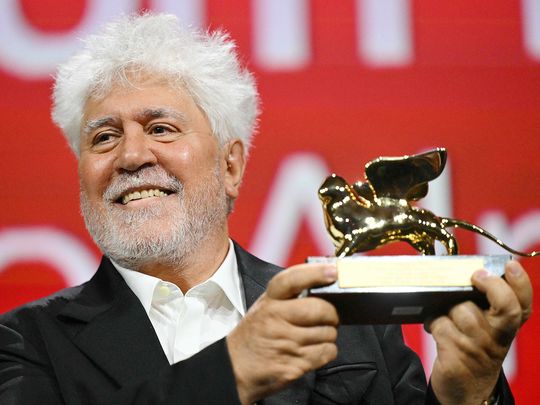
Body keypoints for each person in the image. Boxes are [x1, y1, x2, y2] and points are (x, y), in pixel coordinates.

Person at [0, 13, 532, 405]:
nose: (132, 155)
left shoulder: (357, 329)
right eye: (104, 137)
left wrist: (468, 393)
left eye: (160, 128)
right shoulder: (26, 344)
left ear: (231, 166)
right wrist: (233, 369)